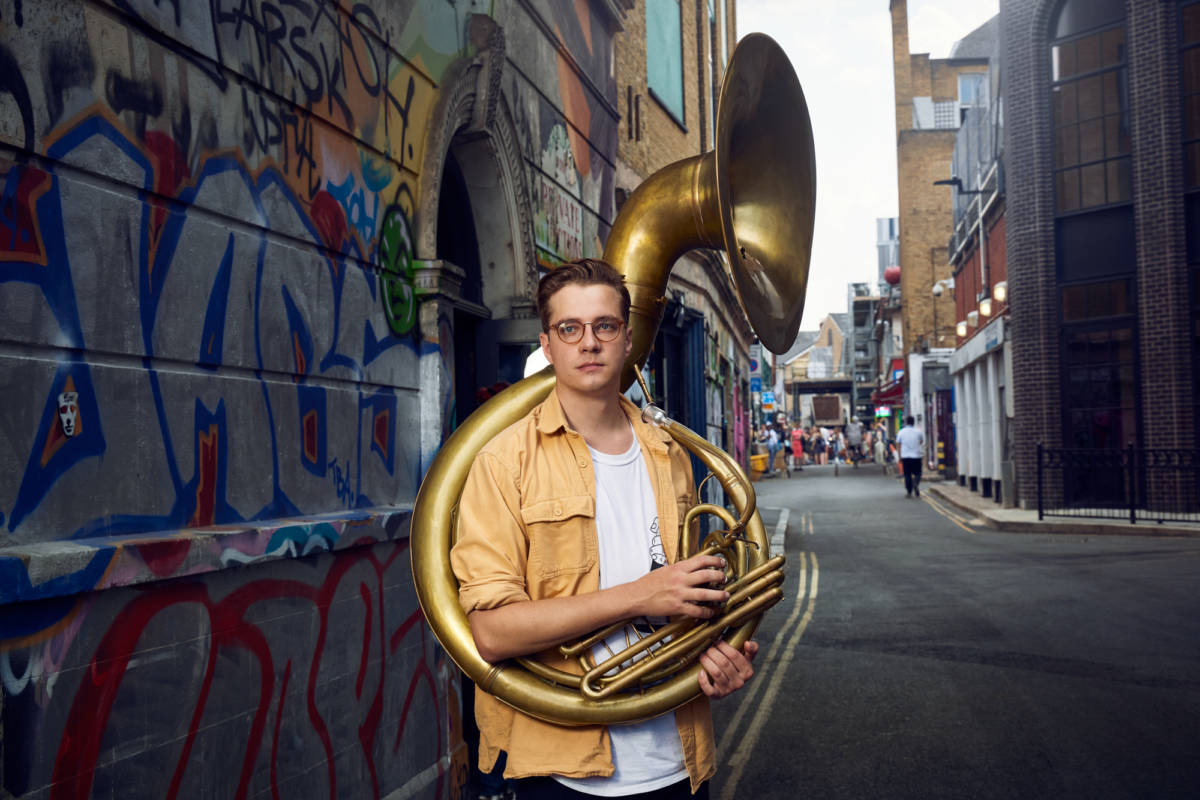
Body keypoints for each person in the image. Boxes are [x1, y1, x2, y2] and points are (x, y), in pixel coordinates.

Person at [451, 258, 757, 798]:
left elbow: (689, 592)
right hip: (563, 771)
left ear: (627, 337)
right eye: (570, 328)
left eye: (604, 326)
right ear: (548, 344)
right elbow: (493, 633)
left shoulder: (673, 453)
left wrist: (718, 644)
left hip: (679, 761)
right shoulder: (502, 462)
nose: (588, 342)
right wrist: (642, 596)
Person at [896, 415, 925, 497]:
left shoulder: (901, 432)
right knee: (918, 473)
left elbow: (898, 445)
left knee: (907, 474)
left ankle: (909, 492)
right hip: (916, 456)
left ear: (906, 422)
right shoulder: (918, 431)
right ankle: (916, 482)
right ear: (913, 422)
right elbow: (921, 441)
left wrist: (899, 456)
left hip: (905, 456)